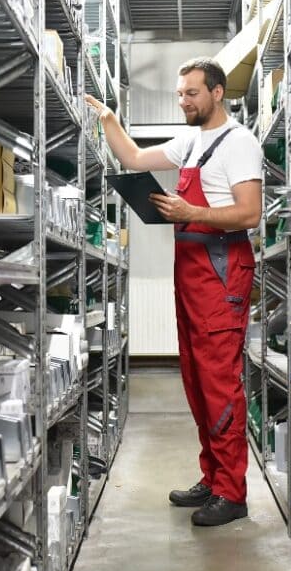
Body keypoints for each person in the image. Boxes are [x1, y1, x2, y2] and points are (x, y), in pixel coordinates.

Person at [86, 57, 263, 527]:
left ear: (217, 92)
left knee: (219, 382)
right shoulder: (189, 140)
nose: (183, 101)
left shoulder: (239, 143)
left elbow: (249, 214)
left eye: (191, 93)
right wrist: (109, 119)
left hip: (221, 268)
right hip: (189, 266)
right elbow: (135, 159)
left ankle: (232, 492)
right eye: (179, 94)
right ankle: (213, 476)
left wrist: (190, 210)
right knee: (196, 380)